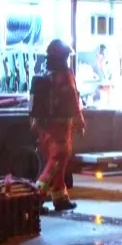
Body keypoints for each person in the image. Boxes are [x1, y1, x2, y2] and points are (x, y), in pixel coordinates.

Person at [31, 39, 84, 211]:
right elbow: (73, 99)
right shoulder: (65, 76)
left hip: (45, 128)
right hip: (60, 127)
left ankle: (60, 199)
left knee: (58, 164)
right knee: (56, 162)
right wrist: (80, 121)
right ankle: (35, 199)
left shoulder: (46, 74)